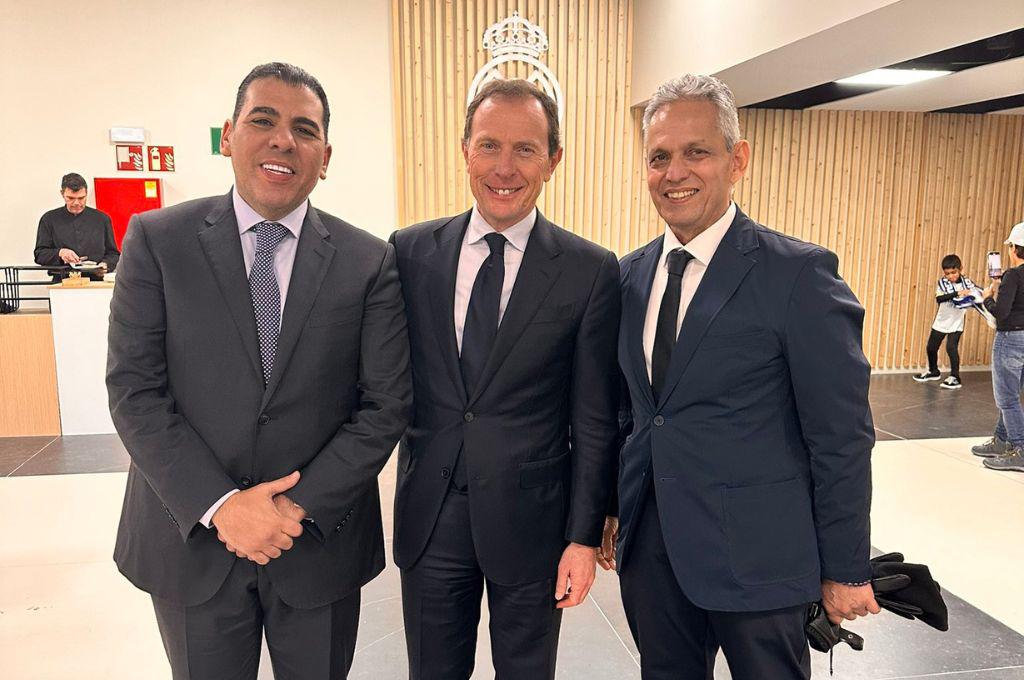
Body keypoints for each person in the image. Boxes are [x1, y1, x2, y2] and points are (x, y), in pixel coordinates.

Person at [106, 62, 412, 679]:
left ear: (325, 156)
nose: (282, 140)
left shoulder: (368, 260)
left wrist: (291, 509)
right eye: (263, 120)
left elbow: (384, 405)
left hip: (317, 545)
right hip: (192, 542)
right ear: (228, 136)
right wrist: (222, 506)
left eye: (304, 129)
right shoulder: (157, 240)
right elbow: (135, 392)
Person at [601, 74, 878, 680]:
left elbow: (841, 434)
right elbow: (634, 411)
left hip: (761, 562)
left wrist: (846, 564)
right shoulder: (628, 278)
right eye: (659, 156)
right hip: (655, 554)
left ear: (737, 158)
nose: (675, 172)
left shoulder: (799, 276)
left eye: (696, 151)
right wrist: (614, 505)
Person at [389, 78, 621, 679]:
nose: (505, 167)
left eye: (526, 149)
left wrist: (582, 536)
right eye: (489, 145)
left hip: (535, 527)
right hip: (432, 517)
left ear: (553, 160)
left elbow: (593, 419)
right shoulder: (411, 254)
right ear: (464, 148)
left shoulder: (588, 271)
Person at [978, 222, 1024, 473]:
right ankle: (1002, 439)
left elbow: (1003, 314)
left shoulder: (1013, 275)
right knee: (1015, 394)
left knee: (1007, 398)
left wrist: (987, 298)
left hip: (1011, 340)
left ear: (1014, 248)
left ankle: (1019, 449)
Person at [913, 254, 982, 390]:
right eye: (947, 273)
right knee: (931, 347)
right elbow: (940, 299)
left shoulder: (967, 282)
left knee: (951, 348)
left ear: (960, 269)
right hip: (942, 320)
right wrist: (957, 294)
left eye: (953, 272)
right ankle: (933, 371)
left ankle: (955, 376)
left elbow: (976, 293)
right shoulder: (942, 283)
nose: (951, 276)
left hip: (957, 322)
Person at [34, 172, 119, 280]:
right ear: (62, 194)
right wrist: (60, 252)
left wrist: (106, 265)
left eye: (81, 198)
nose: (76, 203)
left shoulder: (102, 219)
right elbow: (39, 255)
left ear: (86, 193)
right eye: (70, 198)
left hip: (95, 282)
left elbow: (113, 254)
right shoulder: (49, 219)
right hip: (62, 282)